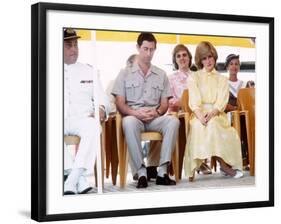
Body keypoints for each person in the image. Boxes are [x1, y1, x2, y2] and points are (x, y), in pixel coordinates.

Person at [112, 32, 179, 188]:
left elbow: (164, 104)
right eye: (145, 49)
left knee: (173, 121)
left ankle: (162, 171)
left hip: (154, 118)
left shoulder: (161, 74)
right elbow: (120, 103)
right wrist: (136, 113)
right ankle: (141, 172)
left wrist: (156, 112)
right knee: (128, 122)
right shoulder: (124, 73)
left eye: (152, 50)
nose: (149, 53)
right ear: (138, 48)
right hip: (134, 117)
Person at [184, 41, 243, 182]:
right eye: (204, 58)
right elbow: (194, 101)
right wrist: (200, 116)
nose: (208, 61)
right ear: (200, 60)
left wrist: (213, 113)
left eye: (210, 57)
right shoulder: (194, 77)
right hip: (198, 114)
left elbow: (222, 101)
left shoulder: (222, 79)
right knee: (201, 126)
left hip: (217, 114)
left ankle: (224, 166)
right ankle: (213, 166)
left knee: (214, 124)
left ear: (214, 57)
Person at [63, 28, 111, 194]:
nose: (74, 49)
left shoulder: (88, 70)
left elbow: (103, 98)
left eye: (76, 44)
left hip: (81, 119)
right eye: (69, 45)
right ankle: (79, 180)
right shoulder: (46, 69)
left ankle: (71, 179)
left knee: (93, 126)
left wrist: (101, 108)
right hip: (57, 119)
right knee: (45, 129)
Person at [168, 44, 212, 175]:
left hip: (197, 112)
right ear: (175, 60)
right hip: (179, 113)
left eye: (184, 55)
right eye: (178, 56)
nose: (182, 58)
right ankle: (187, 162)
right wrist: (185, 102)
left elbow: (205, 96)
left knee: (207, 120)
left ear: (189, 57)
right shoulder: (170, 78)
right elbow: (169, 101)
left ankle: (199, 161)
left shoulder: (199, 76)